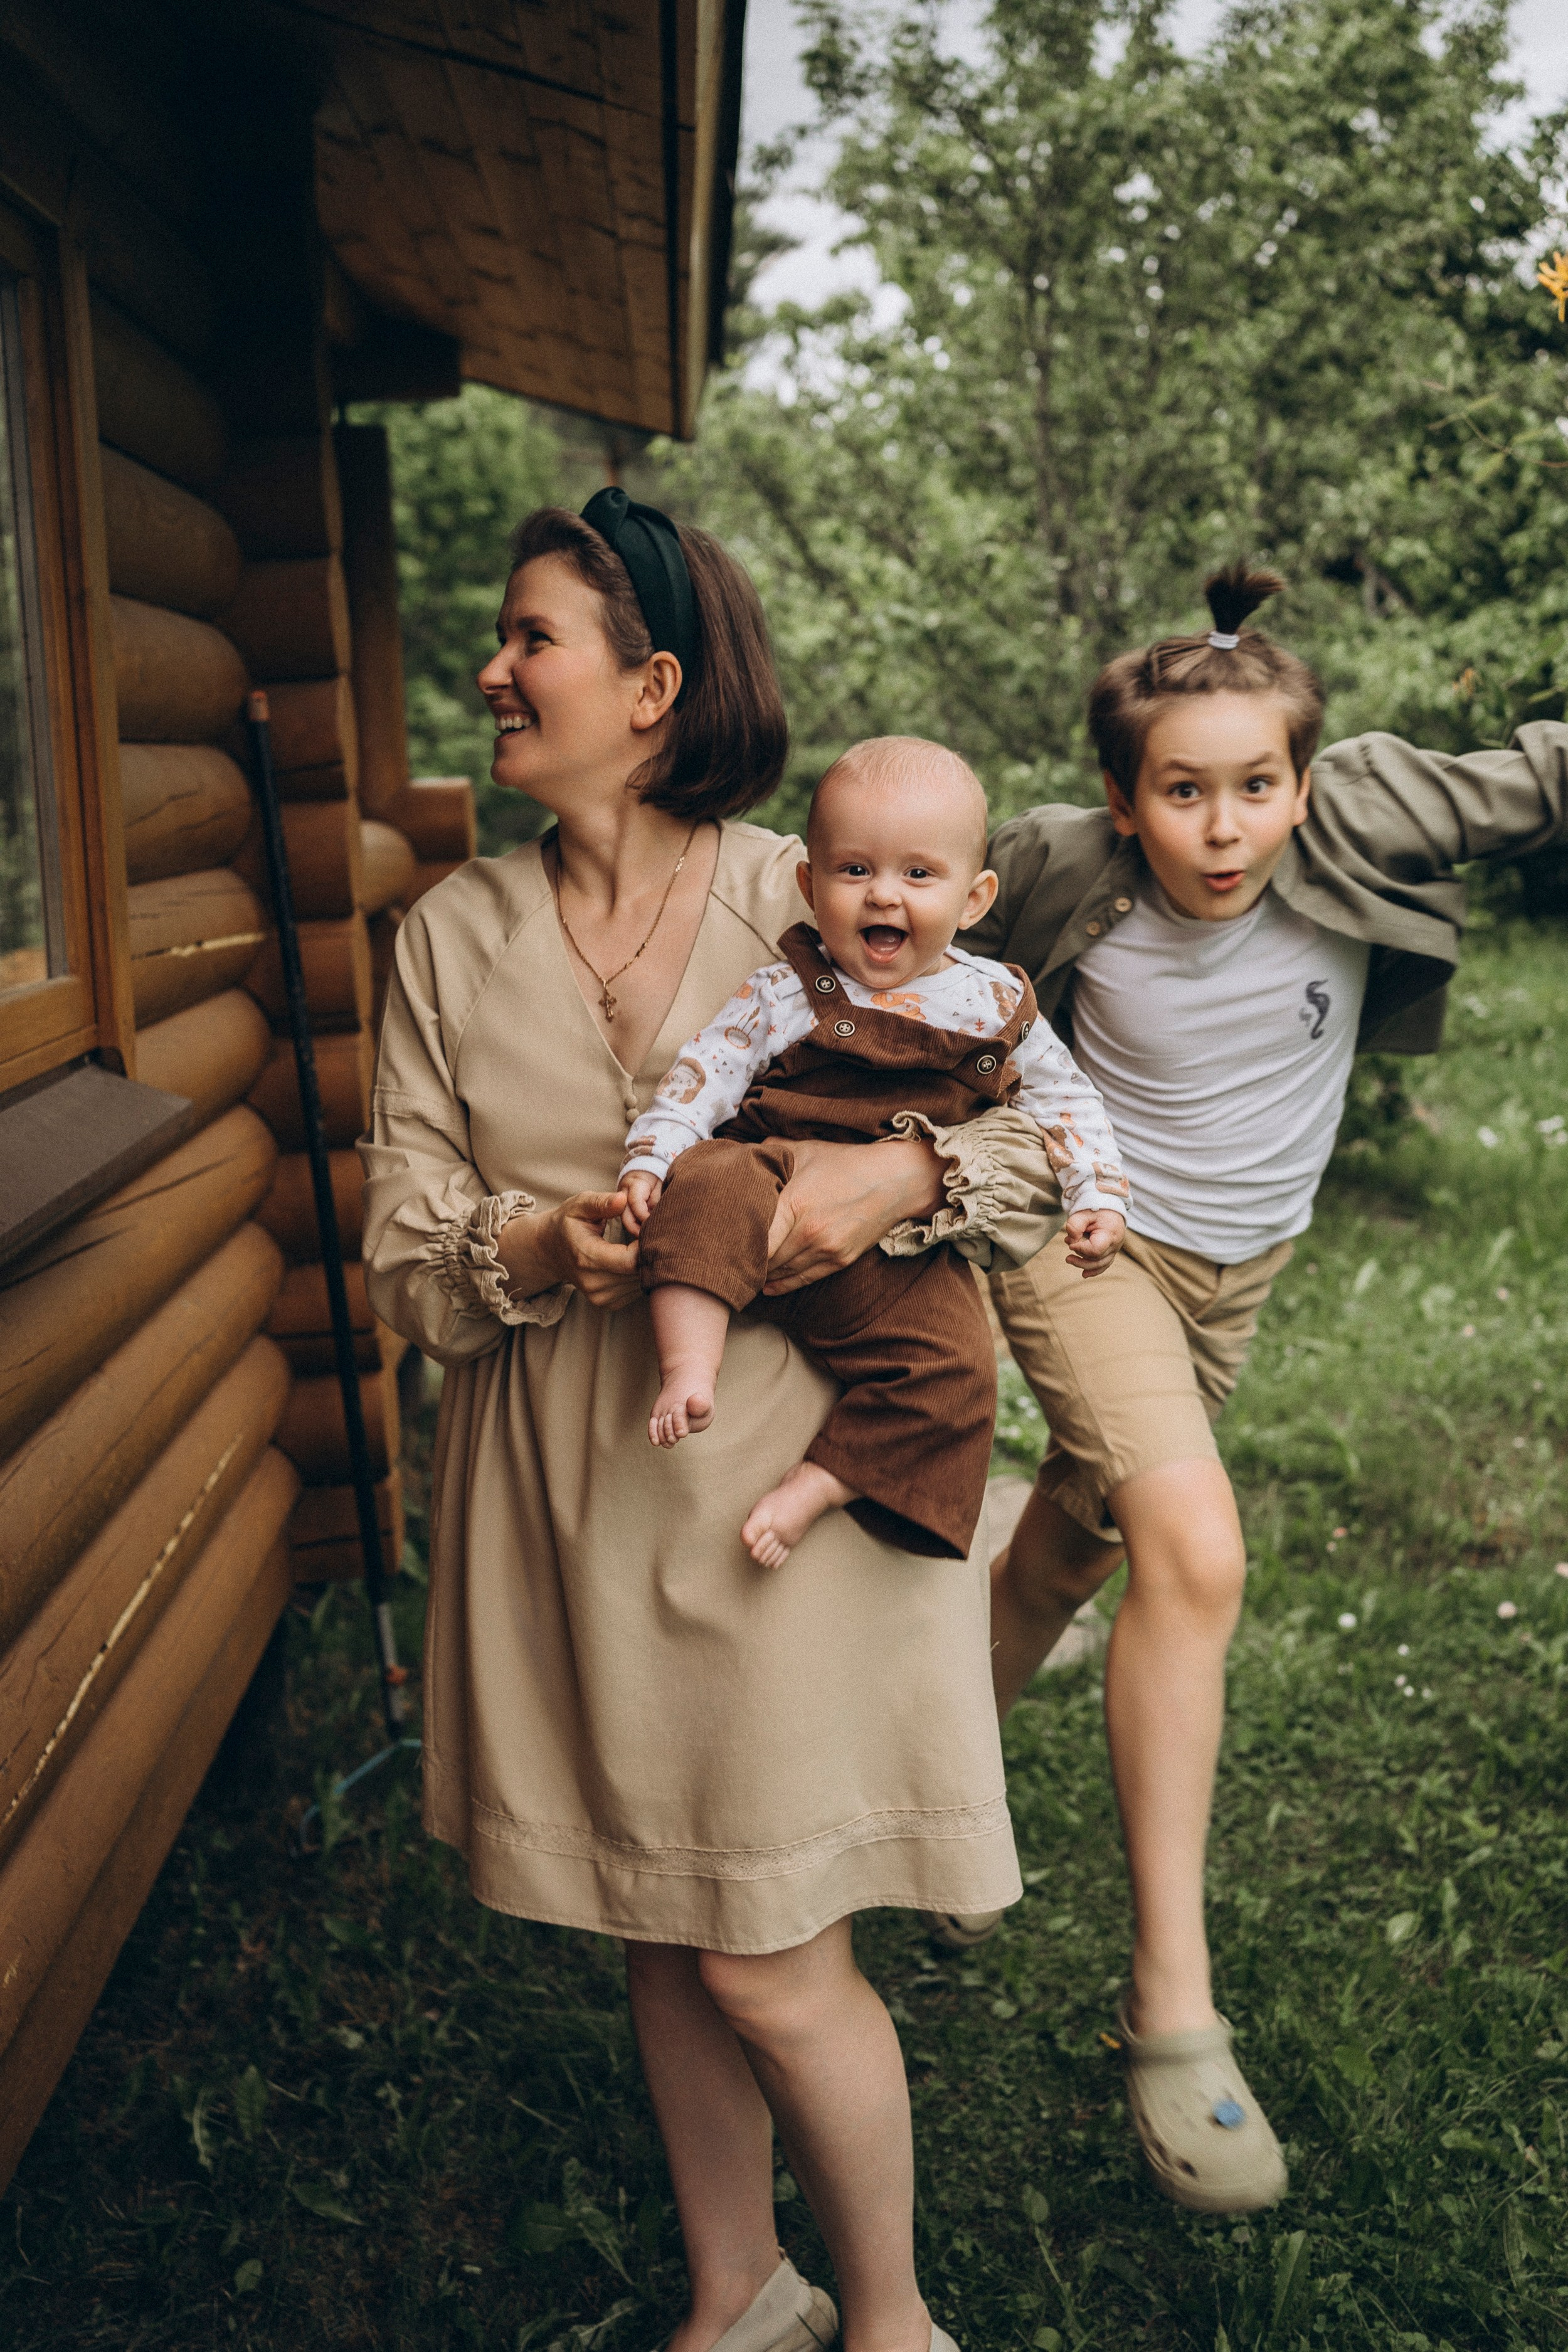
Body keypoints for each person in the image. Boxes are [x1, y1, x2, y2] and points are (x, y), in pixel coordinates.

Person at [361, 488, 1053, 2352]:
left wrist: (891, 1172)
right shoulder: (447, 933)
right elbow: (404, 1257)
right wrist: (535, 1236)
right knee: (667, 1915)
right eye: (502, 639)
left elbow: (1017, 1124)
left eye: (530, 639)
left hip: (784, 1489)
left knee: (764, 1947)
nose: (490, 671)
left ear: (652, 682)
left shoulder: (806, 884)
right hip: (574, 1492)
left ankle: (897, 2317)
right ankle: (737, 2285)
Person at [946, 561, 1568, 2217]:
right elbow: (882, 934)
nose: (1224, 828)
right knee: (1194, 1555)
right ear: (1119, 796)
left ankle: (932, 1783)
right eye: (1181, 790)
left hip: (1240, 1274)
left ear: (1299, 776)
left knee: (1073, 1541)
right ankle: (1171, 2006)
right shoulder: (1054, 866)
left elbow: (1548, 765)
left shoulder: (1366, 812)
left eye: (1253, 786)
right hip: (1085, 1242)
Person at [619, 735, 1129, 1569]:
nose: (883, 894)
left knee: (957, 1374)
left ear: (975, 896)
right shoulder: (787, 988)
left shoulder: (993, 1001)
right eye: (854, 870)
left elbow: (1066, 1101)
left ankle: (825, 1480)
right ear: (809, 883)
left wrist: (1098, 1196)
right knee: (705, 1181)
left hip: (902, 1255)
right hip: (772, 1184)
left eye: (919, 875)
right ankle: (688, 1362)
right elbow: (705, 1072)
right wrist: (653, 1156)